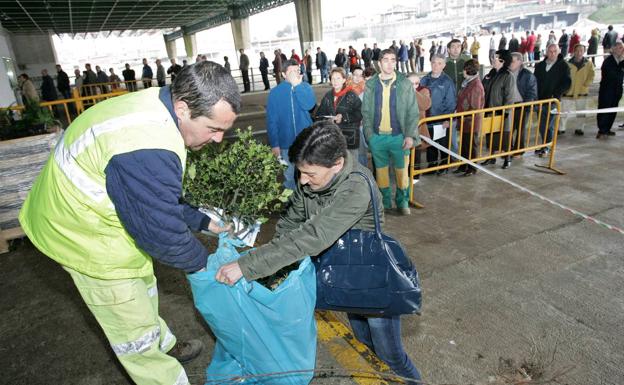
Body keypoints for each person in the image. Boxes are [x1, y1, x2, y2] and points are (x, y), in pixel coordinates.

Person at [19, 61, 240, 385]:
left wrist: (204, 222)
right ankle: (157, 365)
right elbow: (163, 234)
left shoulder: (159, 106)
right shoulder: (147, 146)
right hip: (81, 233)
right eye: (213, 128)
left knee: (143, 283)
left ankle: (164, 343)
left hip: (103, 212)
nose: (219, 139)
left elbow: (156, 200)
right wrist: (210, 268)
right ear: (182, 108)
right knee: (128, 321)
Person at [215, 121, 423, 385]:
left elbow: (314, 236)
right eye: (300, 172)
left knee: (390, 355)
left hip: (372, 280)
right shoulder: (311, 179)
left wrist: (248, 265)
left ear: (337, 164)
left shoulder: (356, 186)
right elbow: (292, 223)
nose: (302, 180)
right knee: (363, 344)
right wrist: (271, 268)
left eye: (310, 174)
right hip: (346, 278)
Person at [362, 49, 420, 215]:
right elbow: (365, 112)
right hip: (377, 138)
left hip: (399, 137)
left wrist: (409, 135)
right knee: (381, 174)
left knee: (402, 174)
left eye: (393, 60)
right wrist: (369, 136)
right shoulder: (371, 84)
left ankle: (402, 203)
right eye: (385, 60)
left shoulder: (405, 83)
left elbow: (412, 112)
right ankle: (385, 203)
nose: (389, 63)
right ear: (379, 63)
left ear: (396, 62)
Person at [266, 59, 316, 190]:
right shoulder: (275, 93)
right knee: (289, 178)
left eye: (297, 70)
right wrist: (274, 144)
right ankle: (293, 207)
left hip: (306, 142)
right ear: (283, 74)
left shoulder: (305, 87)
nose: (295, 73)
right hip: (285, 144)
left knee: (310, 176)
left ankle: (311, 206)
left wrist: (297, 86)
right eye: (291, 71)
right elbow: (272, 121)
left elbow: (309, 105)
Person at [316, 67, 363, 163]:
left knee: (352, 164)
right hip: (334, 137)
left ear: (344, 80)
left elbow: (360, 113)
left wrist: (344, 117)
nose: (335, 81)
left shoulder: (351, 95)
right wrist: (327, 120)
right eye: (333, 78)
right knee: (337, 166)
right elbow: (319, 115)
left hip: (350, 137)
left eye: (338, 78)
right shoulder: (328, 96)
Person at [420, 54, 456, 173]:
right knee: (430, 144)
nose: (436, 66)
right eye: (434, 62)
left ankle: (444, 166)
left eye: (439, 63)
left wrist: (447, 119)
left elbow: (451, 102)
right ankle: (432, 167)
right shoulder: (424, 79)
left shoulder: (447, 82)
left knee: (443, 144)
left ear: (444, 65)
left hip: (441, 120)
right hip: (427, 119)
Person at [533, 43, 571, 155]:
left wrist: (556, 94)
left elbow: (567, 83)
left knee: (549, 125)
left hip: (553, 101)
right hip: (541, 100)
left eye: (555, 51)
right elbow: (535, 82)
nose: (552, 53)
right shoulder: (540, 66)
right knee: (542, 125)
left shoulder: (564, 66)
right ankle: (545, 145)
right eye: (550, 51)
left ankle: (548, 146)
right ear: (546, 52)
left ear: (558, 52)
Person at [481, 49, 516, 169]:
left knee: (504, 135)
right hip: (490, 111)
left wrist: (505, 112)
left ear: (503, 61)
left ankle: (507, 158)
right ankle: (491, 157)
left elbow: (509, 96)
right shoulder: (490, 74)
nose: (493, 59)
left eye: (496, 57)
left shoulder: (507, 76)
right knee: (491, 134)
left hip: (502, 112)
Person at [455, 59, 484, 176]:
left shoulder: (475, 85)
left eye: (464, 69)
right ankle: (463, 165)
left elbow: (475, 107)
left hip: (471, 121)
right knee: (465, 144)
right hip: (465, 120)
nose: (463, 71)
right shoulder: (468, 82)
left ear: (468, 70)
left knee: (471, 144)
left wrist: (464, 115)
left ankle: (472, 167)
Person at [562, 44, 595, 136]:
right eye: (577, 50)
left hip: (582, 90)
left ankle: (580, 128)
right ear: (574, 51)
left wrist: (586, 84)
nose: (579, 52)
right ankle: (561, 128)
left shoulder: (589, 63)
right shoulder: (567, 63)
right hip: (568, 91)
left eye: (581, 50)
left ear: (584, 52)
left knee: (581, 112)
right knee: (564, 111)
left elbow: (591, 75)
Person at [509, 52, 538, 155]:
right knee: (508, 128)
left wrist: (527, 105)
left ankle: (519, 150)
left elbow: (532, 92)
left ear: (520, 61)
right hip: (509, 105)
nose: (510, 63)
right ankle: (508, 148)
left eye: (512, 61)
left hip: (522, 105)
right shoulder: (506, 73)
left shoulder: (528, 75)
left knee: (520, 129)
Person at [596, 41, 624, 138]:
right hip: (607, 91)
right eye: (620, 48)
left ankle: (607, 129)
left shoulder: (621, 61)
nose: (622, 50)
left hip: (617, 91)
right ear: (614, 49)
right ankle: (602, 130)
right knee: (604, 109)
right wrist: (620, 65)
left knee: (613, 110)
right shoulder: (608, 61)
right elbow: (613, 75)